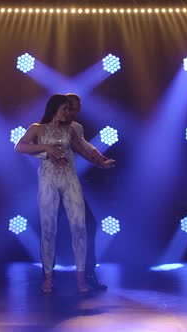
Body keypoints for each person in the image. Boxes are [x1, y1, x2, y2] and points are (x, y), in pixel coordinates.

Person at [15, 94, 115, 293]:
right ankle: (48, 279)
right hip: (48, 182)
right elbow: (19, 147)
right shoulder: (37, 128)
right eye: (67, 109)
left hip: (70, 181)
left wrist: (100, 161)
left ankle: (83, 278)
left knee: (81, 228)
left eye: (72, 109)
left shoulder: (72, 129)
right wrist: (46, 147)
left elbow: (84, 147)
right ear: (56, 108)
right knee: (49, 230)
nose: (70, 113)